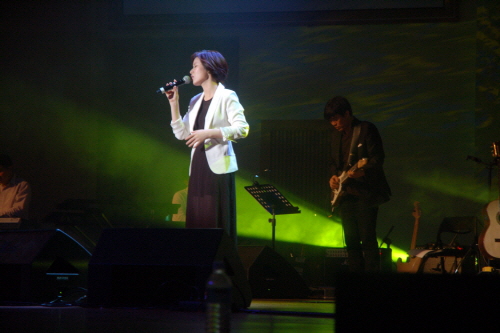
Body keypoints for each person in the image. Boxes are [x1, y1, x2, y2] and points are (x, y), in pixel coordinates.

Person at [165, 50, 249, 245]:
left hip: (217, 167)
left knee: (214, 220)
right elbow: (182, 134)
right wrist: (174, 103)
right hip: (198, 166)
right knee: (198, 220)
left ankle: (219, 266)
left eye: (195, 66)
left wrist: (208, 133)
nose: (191, 70)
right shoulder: (195, 101)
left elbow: (242, 129)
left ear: (209, 68)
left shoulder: (227, 96)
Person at [324, 96, 391, 272]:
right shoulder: (335, 136)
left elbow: (377, 158)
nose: (334, 123)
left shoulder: (365, 129)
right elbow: (333, 163)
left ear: (347, 113)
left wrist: (364, 170)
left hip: (366, 193)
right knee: (351, 241)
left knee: (367, 239)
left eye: (336, 118)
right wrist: (333, 177)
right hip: (345, 194)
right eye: (331, 120)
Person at [0, 154, 31, 221]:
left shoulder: (22, 185)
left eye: (0, 170)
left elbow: (19, 209)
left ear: (10, 168)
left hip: (15, 228)